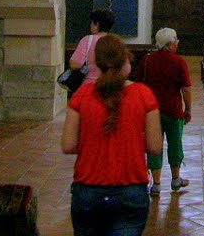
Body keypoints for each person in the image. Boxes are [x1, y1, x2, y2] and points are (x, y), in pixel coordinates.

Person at [62, 33, 162, 236]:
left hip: (88, 187)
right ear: (125, 60)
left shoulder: (82, 95)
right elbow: (155, 147)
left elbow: (68, 145)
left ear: (96, 63)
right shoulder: (144, 95)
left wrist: (93, 144)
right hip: (130, 188)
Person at [137, 27, 192, 196]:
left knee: (154, 146)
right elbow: (186, 89)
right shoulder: (179, 61)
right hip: (173, 110)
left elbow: (139, 86)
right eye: (176, 41)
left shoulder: (147, 61)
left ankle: (156, 184)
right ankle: (176, 179)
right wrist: (188, 109)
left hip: (151, 111)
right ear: (171, 44)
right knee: (175, 144)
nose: (177, 44)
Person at [70, 8, 116, 86]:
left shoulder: (88, 40)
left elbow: (76, 64)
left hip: (90, 85)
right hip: (110, 86)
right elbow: (126, 68)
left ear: (97, 24)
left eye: (92, 22)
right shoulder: (115, 42)